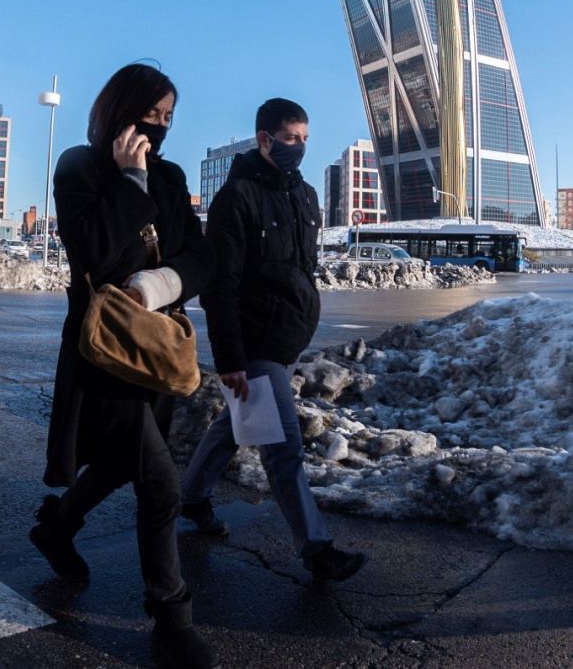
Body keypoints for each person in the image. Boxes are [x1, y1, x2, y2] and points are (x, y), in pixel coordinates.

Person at [28, 63, 216, 669]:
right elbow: (94, 249)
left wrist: (158, 283)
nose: (157, 131)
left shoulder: (174, 176)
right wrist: (131, 182)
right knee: (159, 479)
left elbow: (200, 258)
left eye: (167, 120)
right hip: (102, 349)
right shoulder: (80, 167)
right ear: (120, 110)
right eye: (150, 116)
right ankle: (171, 617)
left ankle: (58, 526)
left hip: (154, 344)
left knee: (120, 460)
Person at [179, 98, 366, 581]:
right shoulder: (235, 198)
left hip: (286, 336)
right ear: (264, 140)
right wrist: (231, 358)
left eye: (304, 138)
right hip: (253, 337)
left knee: (239, 422)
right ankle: (316, 547)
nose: (299, 147)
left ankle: (190, 496)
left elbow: (302, 268)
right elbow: (220, 285)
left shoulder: (305, 195)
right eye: (290, 139)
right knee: (281, 444)